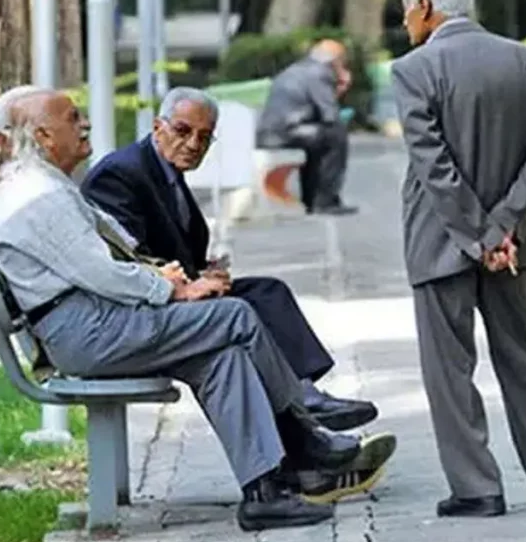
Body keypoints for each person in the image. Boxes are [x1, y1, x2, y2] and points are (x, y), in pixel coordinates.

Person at [0, 88, 388, 531]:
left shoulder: (26, 188)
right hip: (87, 331)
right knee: (236, 315)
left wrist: (12, 277)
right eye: (73, 117)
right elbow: (101, 272)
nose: (84, 123)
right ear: (46, 137)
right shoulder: (37, 197)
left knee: (221, 355)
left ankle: (264, 493)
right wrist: (172, 292)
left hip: (91, 324)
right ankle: (304, 434)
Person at [391, 0, 526, 517]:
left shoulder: (414, 70)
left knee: (450, 369)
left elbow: (434, 166)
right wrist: (503, 227)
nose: (405, 22)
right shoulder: (525, 61)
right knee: (525, 357)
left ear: (425, 7)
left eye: (407, 9)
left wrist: (477, 233)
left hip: (441, 239)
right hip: (512, 245)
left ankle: (477, 489)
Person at [80, 87, 379, 432]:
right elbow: (127, 256)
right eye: (183, 131)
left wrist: (206, 271)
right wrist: (190, 283)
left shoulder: (166, 171)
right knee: (242, 319)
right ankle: (301, 412)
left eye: (205, 137)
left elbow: (171, 244)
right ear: (157, 127)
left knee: (268, 293)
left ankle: (304, 396)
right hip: (142, 307)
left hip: (176, 290)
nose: (194, 144)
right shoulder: (121, 173)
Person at [255, 40, 357, 216]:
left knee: (320, 141)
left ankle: (311, 199)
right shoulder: (319, 73)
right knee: (335, 137)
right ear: (336, 60)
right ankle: (325, 200)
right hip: (289, 132)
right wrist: (342, 85)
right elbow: (330, 113)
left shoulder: (297, 69)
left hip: (273, 132)